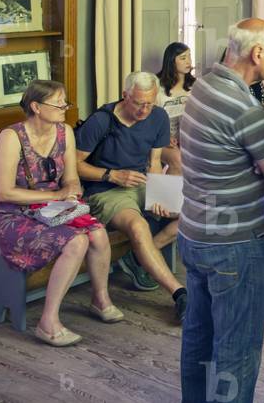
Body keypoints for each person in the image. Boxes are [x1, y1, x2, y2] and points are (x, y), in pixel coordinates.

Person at [178, 18, 264, 403]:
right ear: (257, 54)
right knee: (237, 351)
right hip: (234, 245)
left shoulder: (204, 84)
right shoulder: (245, 109)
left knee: (198, 336)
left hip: (193, 235)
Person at [0, 80, 122, 347]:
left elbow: (71, 179)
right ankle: (48, 322)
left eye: (65, 102)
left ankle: (100, 298)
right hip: (12, 214)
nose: (64, 107)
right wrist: (55, 196)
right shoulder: (11, 137)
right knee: (77, 241)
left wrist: (71, 191)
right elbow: (4, 192)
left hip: (52, 207)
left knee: (97, 232)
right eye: (58, 103)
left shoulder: (64, 133)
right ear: (36, 107)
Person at [75, 71, 187, 322]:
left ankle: (139, 256)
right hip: (105, 189)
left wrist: (159, 193)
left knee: (196, 212)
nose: (144, 110)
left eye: (149, 103)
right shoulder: (101, 121)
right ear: (125, 95)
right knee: (137, 226)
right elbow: (74, 164)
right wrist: (111, 175)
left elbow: (155, 162)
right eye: (138, 103)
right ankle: (180, 294)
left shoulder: (158, 115)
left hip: (141, 182)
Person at [156, 42, 195, 176]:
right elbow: (150, 118)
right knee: (177, 159)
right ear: (171, 61)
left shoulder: (195, 86)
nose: (188, 61)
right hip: (163, 139)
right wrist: (166, 137)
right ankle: (169, 197)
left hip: (187, 139)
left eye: (189, 57)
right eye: (183, 58)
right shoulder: (157, 86)